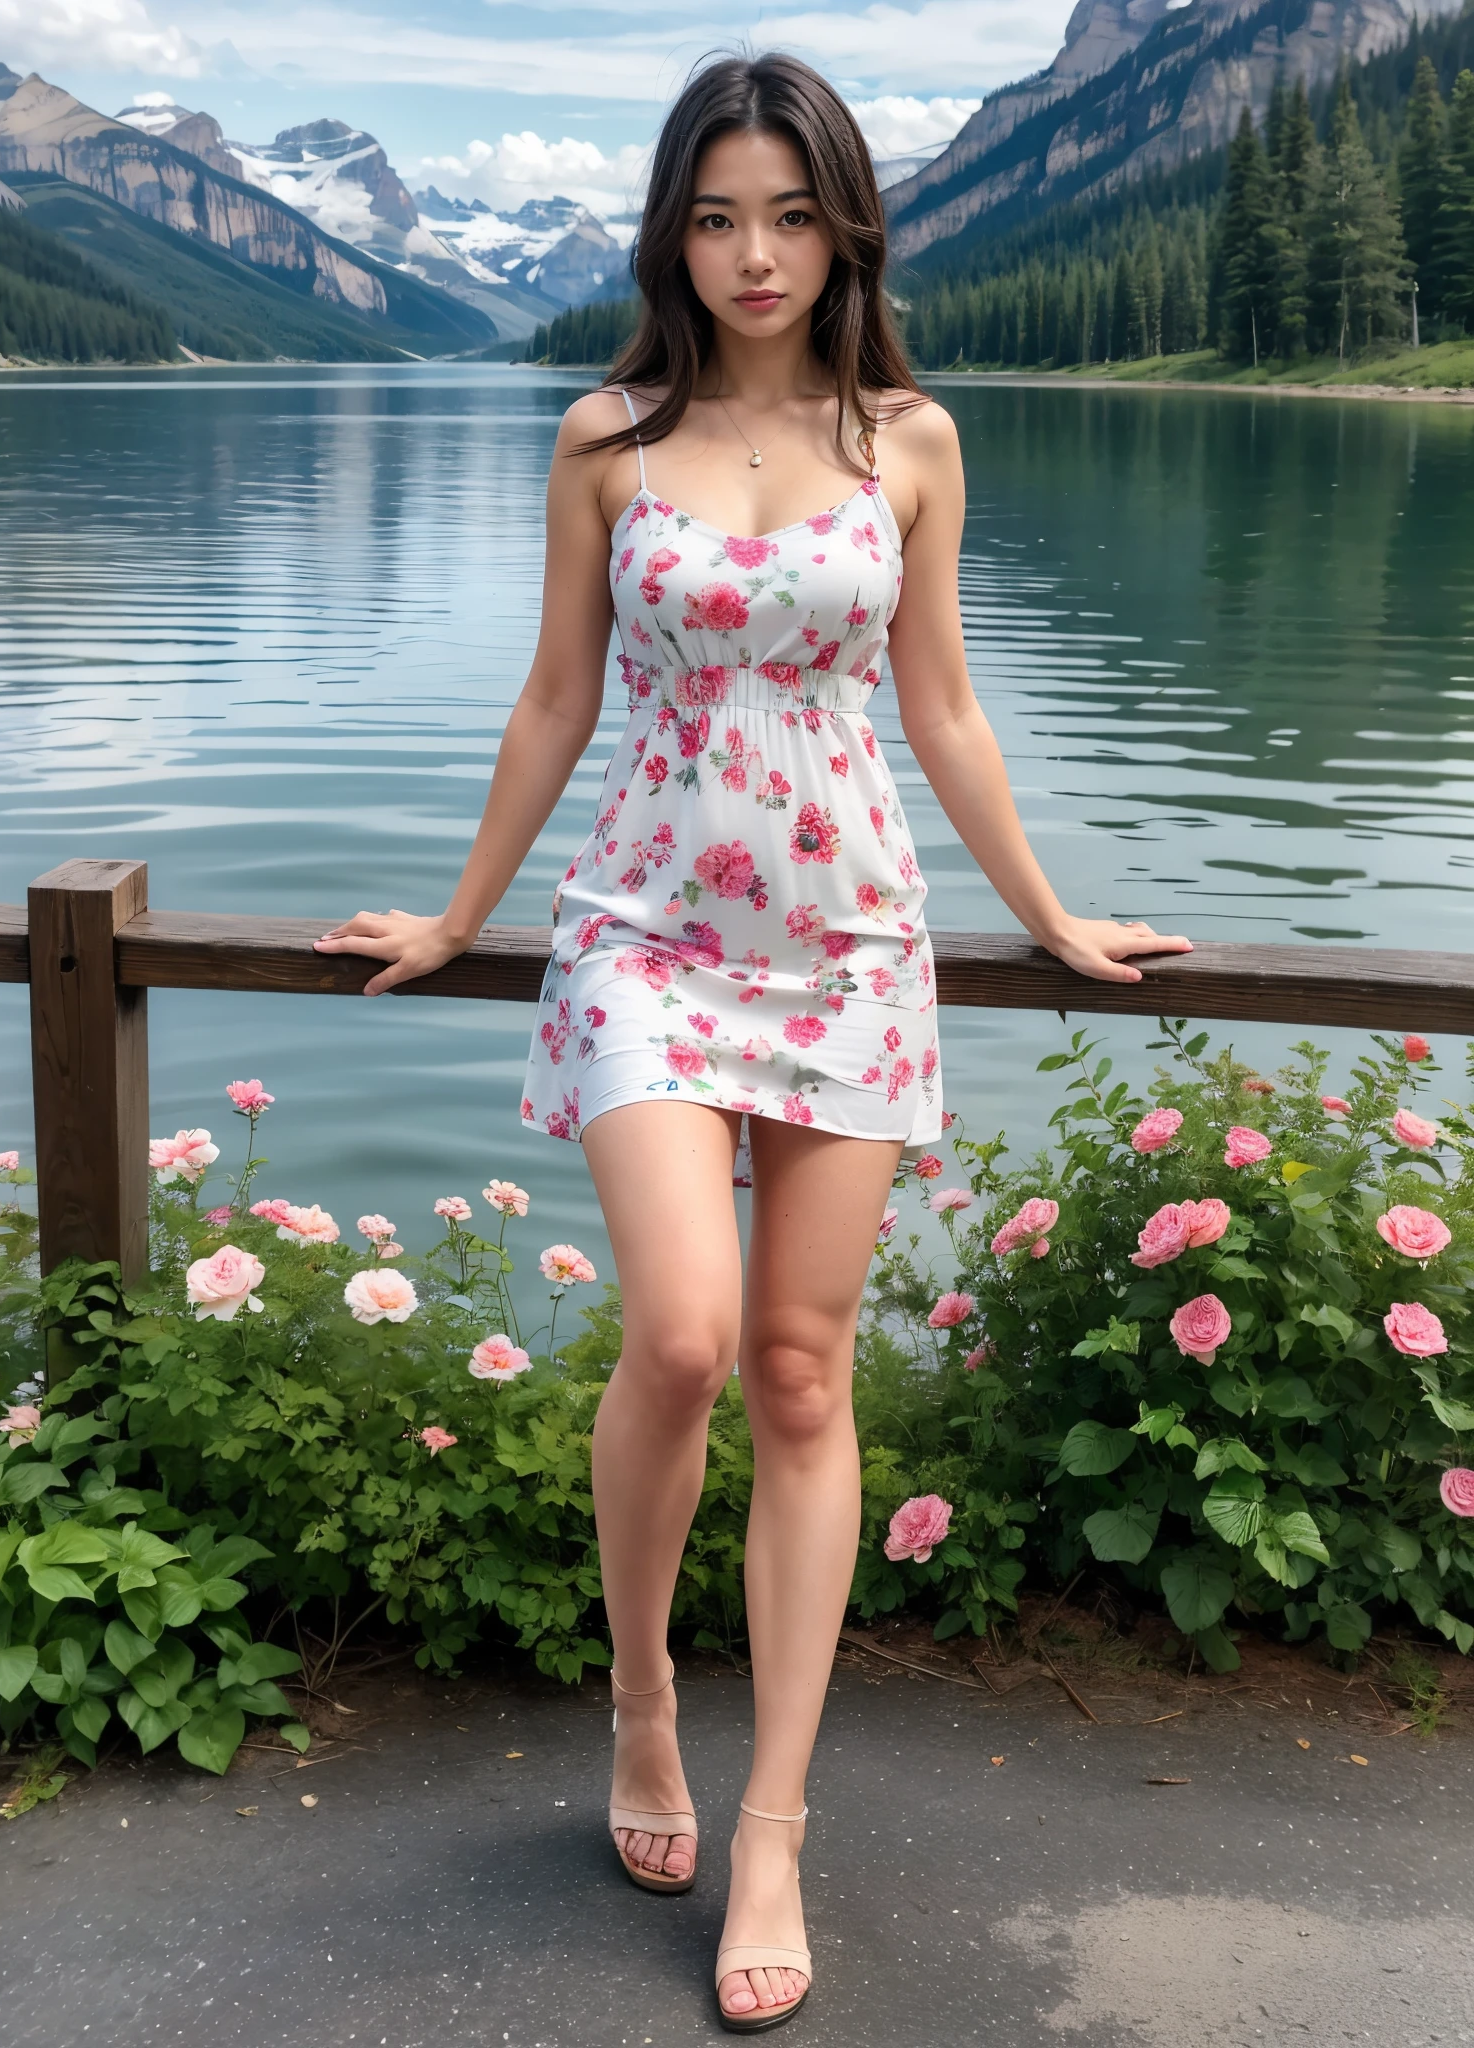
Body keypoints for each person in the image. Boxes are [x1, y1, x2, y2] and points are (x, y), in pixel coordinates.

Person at [314, 49, 1191, 2035]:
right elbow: (555, 695)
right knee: (692, 1335)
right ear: (671, 235)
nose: (753, 253)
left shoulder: (914, 441)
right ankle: (642, 1698)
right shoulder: (607, 433)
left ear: (844, 225)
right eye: (715, 215)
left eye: (789, 213)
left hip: (852, 932)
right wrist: (461, 910)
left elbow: (946, 705)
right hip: (642, 927)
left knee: (803, 1371)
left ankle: (774, 1813)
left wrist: (1047, 909)